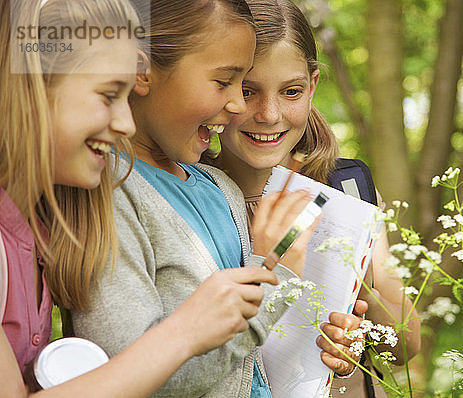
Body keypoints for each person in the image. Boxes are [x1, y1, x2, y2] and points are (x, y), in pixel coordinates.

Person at [0, 0, 279, 397]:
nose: (125, 121)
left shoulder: (29, 236)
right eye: (108, 93)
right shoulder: (102, 198)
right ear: (30, 91)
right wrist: (185, 331)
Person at [70, 1, 319, 397]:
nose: (238, 104)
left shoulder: (220, 187)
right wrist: (276, 276)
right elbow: (134, 378)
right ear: (143, 71)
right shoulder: (109, 192)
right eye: (224, 83)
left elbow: (241, 362)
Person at [207, 0, 422, 396]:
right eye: (248, 91)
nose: (269, 114)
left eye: (291, 91)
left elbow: (404, 347)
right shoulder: (195, 196)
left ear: (313, 85)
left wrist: (357, 335)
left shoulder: (349, 188)